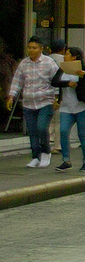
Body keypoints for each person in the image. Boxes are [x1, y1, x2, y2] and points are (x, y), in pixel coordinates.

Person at [6, 37, 59, 167]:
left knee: (42, 128)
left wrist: (57, 98)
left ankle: (46, 152)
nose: (31, 50)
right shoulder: (24, 64)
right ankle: (35, 156)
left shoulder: (49, 62)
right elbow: (17, 81)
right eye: (29, 47)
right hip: (28, 103)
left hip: (45, 102)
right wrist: (11, 97)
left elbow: (57, 81)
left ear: (41, 49)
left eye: (34, 48)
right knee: (32, 131)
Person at [54, 46, 85, 172]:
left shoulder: (82, 66)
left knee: (82, 134)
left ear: (74, 57)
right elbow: (54, 81)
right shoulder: (63, 68)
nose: (65, 56)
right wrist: (67, 84)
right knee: (63, 132)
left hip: (82, 106)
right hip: (66, 107)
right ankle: (66, 160)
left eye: (67, 54)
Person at [47, 38, 66, 153]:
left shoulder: (45, 60)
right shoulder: (65, 61)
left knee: (48, 120)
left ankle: (47, 143)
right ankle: (57, 146)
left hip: (45, 94)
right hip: (59, 94)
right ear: (63, 49)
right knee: (59, 121)